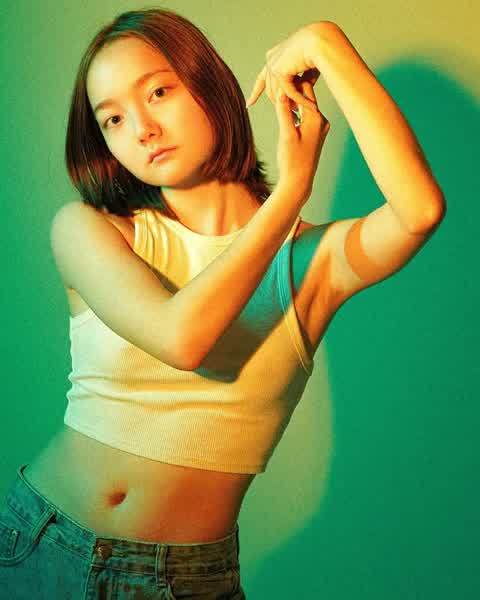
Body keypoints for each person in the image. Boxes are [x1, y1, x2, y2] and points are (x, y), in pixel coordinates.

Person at [0, 9, 445, 600]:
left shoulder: (310, 264)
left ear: (209, 87)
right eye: (113, 119)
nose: (142, 129)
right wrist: (289, 193)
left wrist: (326, 43)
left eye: (158, 92)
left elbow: (420, 211)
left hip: (190, 579)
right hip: (43, 546)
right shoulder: (92, 230)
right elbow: (182, 339)